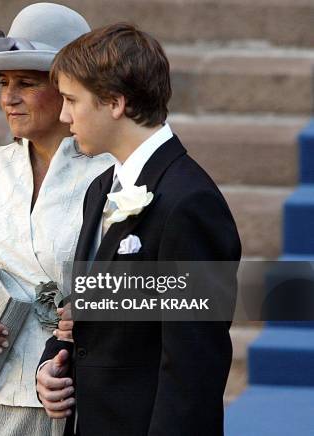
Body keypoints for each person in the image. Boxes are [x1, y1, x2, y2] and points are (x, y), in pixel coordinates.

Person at [36, 23, 241, 435]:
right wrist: (55, 359)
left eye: (72, 100)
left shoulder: (189, 202)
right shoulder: (100, 189)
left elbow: (193, 367)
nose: (63, 115)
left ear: (114, 102)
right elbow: (90, 306)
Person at [0, 4, 114, 435]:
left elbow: (136, 279)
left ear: (67, 89)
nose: (8, 98)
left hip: (76, 389)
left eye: (26, 83)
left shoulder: (109, 171)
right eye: (3, 83)